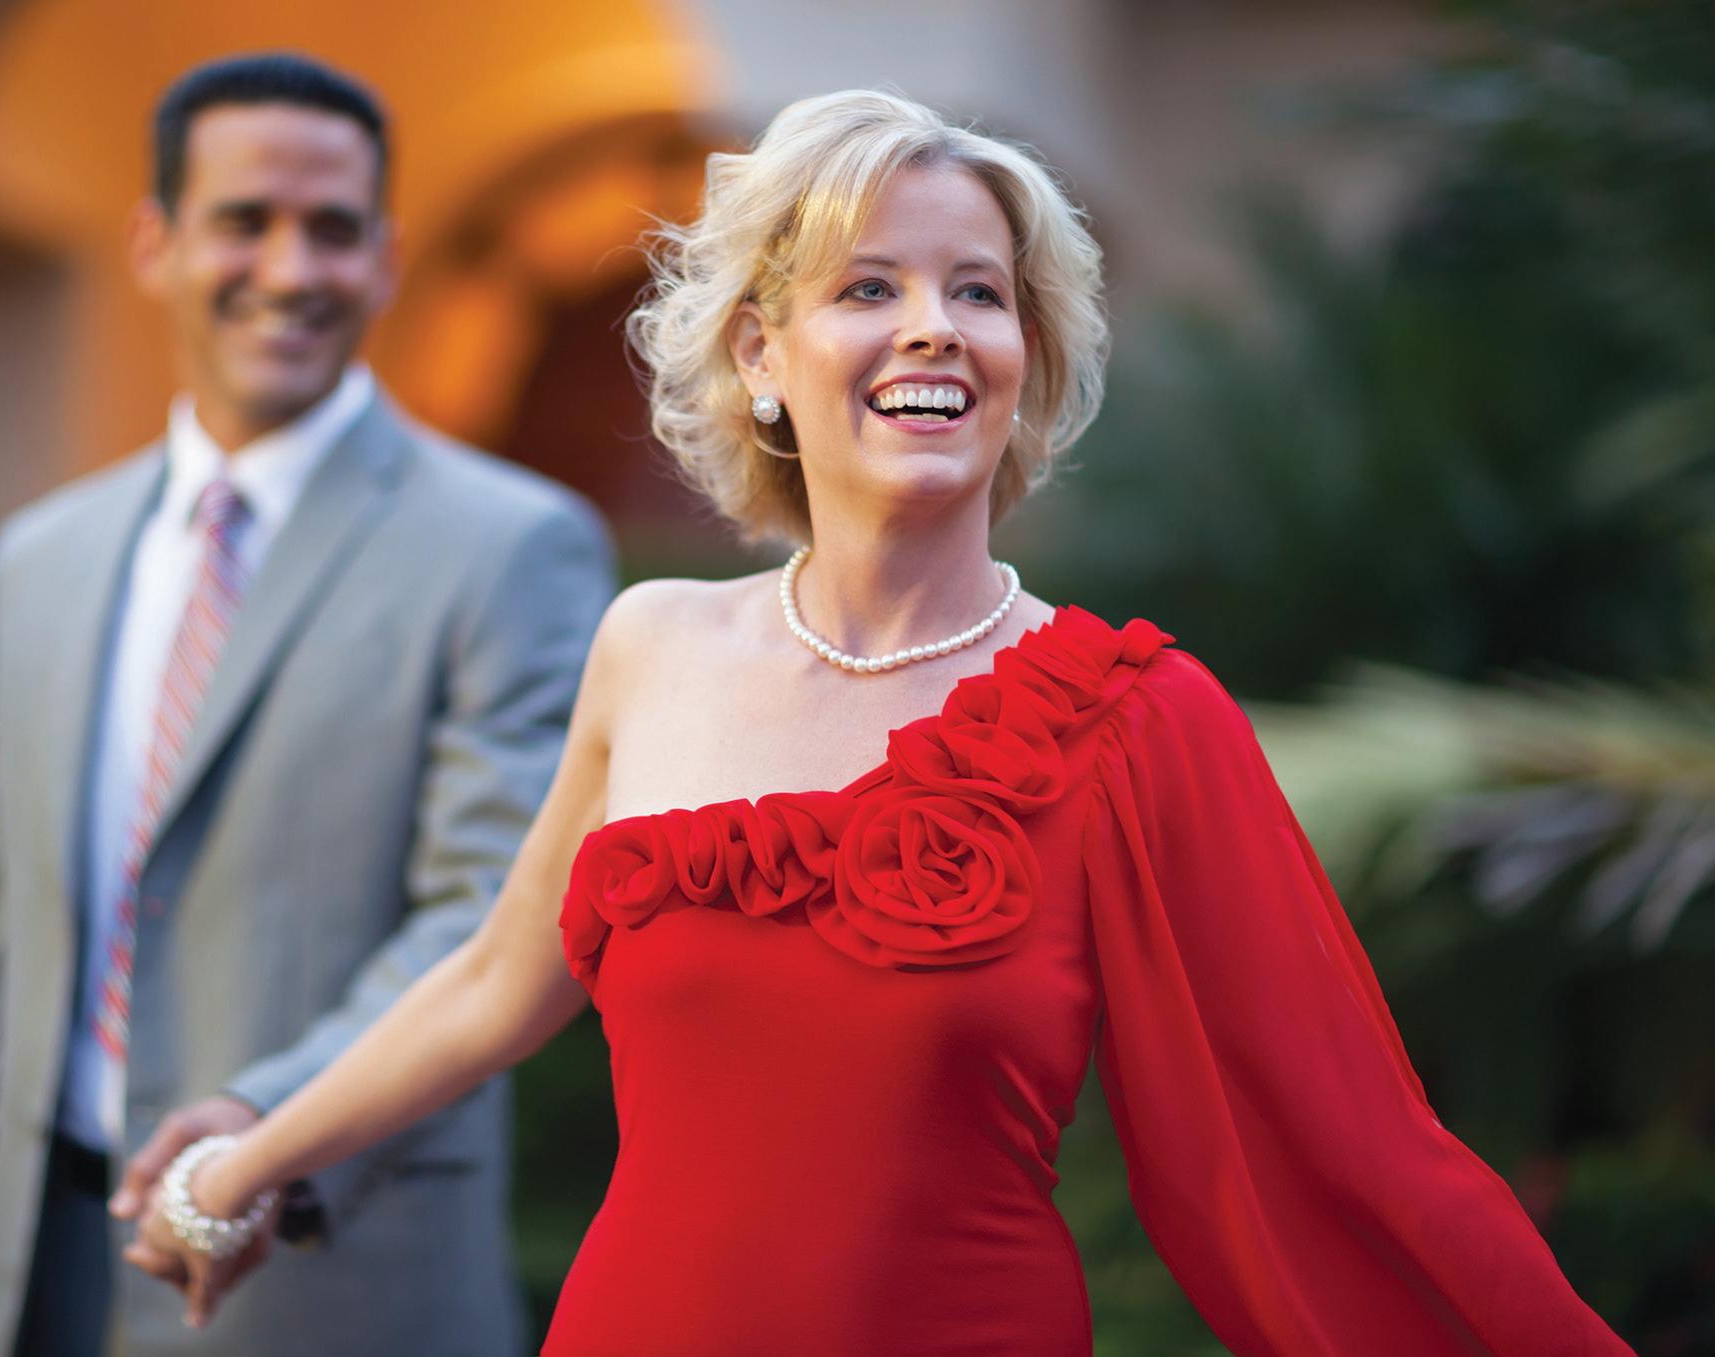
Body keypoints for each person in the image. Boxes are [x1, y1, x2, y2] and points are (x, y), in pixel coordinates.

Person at [125, 89, 1632, 1355]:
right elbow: (492, 985)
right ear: (760, 357)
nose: (933, 329)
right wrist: (237, 1164)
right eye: (867, 289)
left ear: (1025, 357)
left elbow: (1342, 1144)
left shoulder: (1134, 718)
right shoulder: (650, 647)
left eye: (978, 292)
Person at [0, 52, 613, 1357]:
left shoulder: (515, 547)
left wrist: (262, 1128)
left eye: (333, 229)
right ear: (155, 242)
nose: (291, 270)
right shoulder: (43, 558)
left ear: (386, 258)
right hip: (44, 1272)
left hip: (330, 1275)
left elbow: (489, 915)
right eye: (244, 220)